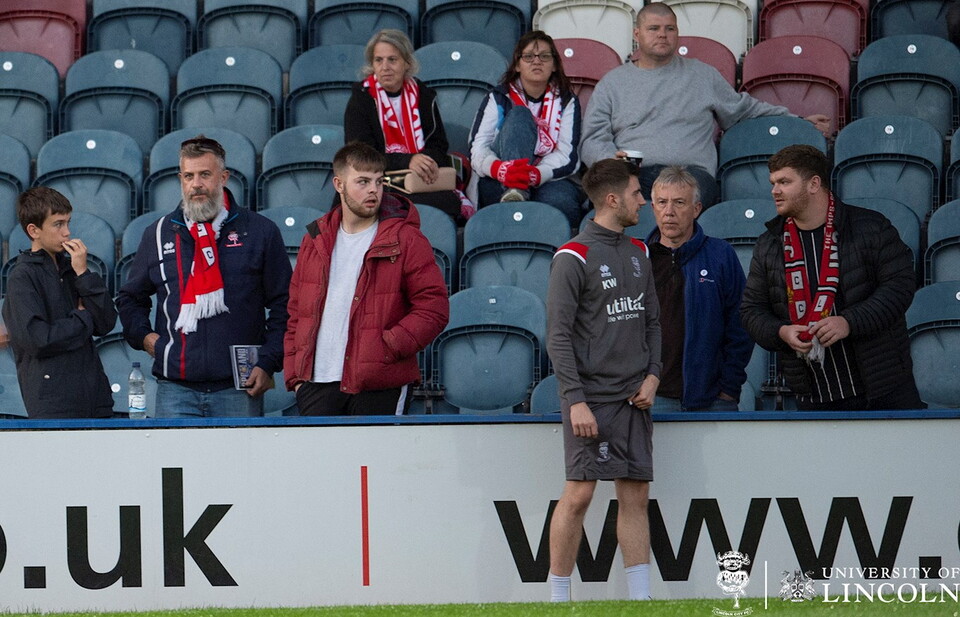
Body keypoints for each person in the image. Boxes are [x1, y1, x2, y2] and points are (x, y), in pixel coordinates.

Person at [578, 2, 831, 207]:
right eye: (653, 28)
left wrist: (798, 120)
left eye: (670, 28)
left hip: (691, 174)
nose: (662, 35)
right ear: (637, 34)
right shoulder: (612, 83)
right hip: (635, 175)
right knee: (614, 201)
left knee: (675, 203)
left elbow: (744, 109)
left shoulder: (702, 75)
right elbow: (591, 139)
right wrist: (610, 159)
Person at [546, 158, 661, 601]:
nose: (643, 201)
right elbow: (557, 335)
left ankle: (641, 600)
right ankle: (558, 600)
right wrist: (575, 399)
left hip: (635, 397)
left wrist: (653, 376)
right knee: (578, 495)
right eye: (636, 193)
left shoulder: (640, 251)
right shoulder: (572, 256)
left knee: (635, 496)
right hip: (590, 399)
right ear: (612, 199)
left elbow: (652, 322)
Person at [117, 136, 291, 418]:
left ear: (224, 177)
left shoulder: (260, 231)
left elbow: (286, 304)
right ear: (180, 180)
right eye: (189, 176)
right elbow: (130, 298)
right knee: (175, 452)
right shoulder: (158, 234)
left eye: (205, 175)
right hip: (174, 389)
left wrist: (268, 361)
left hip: (239, 388)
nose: (196, 184)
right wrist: (146, 338)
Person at [740, 145, 923, 411]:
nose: (775, 191)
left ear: (814, 184)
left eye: (784, 182)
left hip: (883, 389)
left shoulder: (871, 227)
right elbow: (751, 311)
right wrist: (781, 332)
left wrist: (849, 322)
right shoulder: (768, 244)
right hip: (813, 397)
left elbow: (900, 287)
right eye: (773, 183)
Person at [284, 142, 449, 415]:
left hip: (380, 381)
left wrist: (388, 346)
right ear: (339, 184)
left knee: (377, 446)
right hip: (316, 382)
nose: (373, 190)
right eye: (363, 182)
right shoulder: (314, 239)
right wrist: (296, 376)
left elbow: (434, 308)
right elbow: (296, 313)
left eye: (379, 181)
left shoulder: (406, 239)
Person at [2, 187, 116, 418]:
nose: (67, 232)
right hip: (53, 403)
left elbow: (106, 323)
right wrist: (82, 319)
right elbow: (38, 339)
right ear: (34, 230)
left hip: (96, 398)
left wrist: (83, 274)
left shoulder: (73, 267)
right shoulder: (22, 277)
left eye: (68, 222)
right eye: (58, 224)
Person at [646, 166, 753, 411]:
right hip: (653, 398)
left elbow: (741, 324)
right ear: (653, 208)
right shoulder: (639, 259)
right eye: (662, 202)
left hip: (713, 399)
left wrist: (729, 388)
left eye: (679, 202)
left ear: (696, 209)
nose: (669, 212)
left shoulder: (720, 254)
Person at [344, 29, 472, 223]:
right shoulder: (361, 99)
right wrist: (408, 160)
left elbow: (438, 145)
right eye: (378, 60)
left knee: (447, 204)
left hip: (420, 180)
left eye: (392, 60)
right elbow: (361, 155)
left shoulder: (423, 95)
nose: (385, 67)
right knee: (393, 206)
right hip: (377, 181)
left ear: (407, 63)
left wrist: (425, 163)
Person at [469, 30, 584, 227]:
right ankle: (515, 189)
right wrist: (500, 169)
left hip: (547, 177)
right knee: (520, 115)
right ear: (517, 64)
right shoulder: (498, 97)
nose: (536, 62)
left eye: (544, 56)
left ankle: (519, 191)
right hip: (500, 178)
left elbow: (568, 155)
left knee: (563, 204)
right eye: (529, 56)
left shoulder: (567, 101)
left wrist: (535, 174)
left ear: (555, 65)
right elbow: (477, 148)